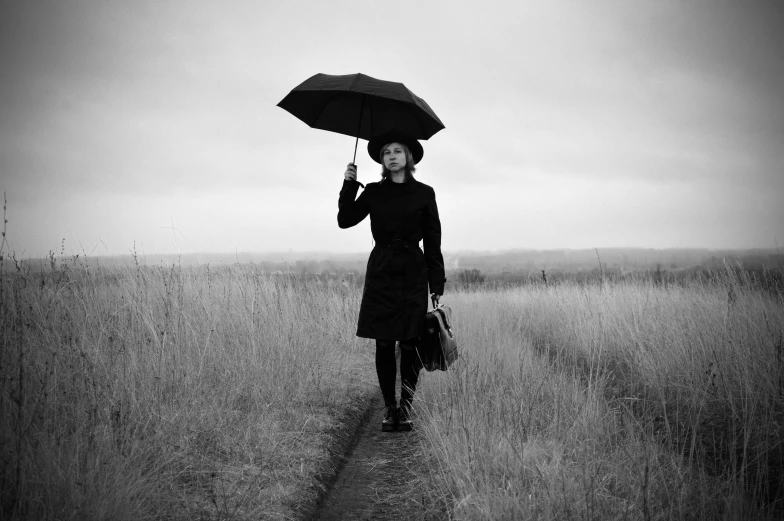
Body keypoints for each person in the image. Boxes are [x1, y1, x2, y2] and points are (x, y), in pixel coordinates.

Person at [337, 130, 446, 432]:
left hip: (413, 269)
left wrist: (437, 283)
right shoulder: (372, 191)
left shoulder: (425, 193)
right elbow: (345, 220)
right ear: (382, 160)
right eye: (387, 152)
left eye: (398, 150)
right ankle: (389, 408)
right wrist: (349, 184)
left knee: (410, 341)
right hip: (382, 269)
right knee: (384, 341)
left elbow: (434, 242)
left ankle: (407, 407)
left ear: (409, 157)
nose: (392, 156)